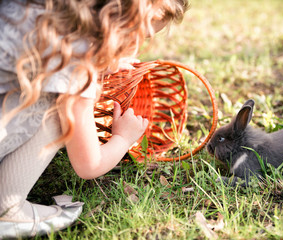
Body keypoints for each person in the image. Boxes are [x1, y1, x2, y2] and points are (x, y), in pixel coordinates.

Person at [0, 0, 189, 238]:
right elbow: (89, 166)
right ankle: (8, 209)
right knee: (61, 110)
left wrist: (102, 63)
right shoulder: (77, 62)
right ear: (122, 23)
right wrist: (123, 137)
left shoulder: (32, 11)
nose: (138, 46)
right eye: (142, 36)